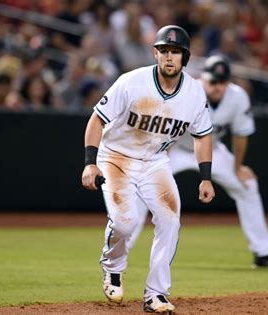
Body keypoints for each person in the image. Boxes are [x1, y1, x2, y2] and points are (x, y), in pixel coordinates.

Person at [81, 25, 215, 313]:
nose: (169, 57)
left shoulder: (193, 92)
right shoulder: (131, 82)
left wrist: (206, 178)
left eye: (175, 52)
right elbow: (96, 120)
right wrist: (90, 162)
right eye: (164, 50)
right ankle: (113, 266)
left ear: (185, 58)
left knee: (169, 219)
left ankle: (156, 293)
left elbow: (203, 135)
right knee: (125, 221)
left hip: (155, 161)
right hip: (116, 156)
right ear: (155, 53)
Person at [128, 55, 268, 270]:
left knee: (248, 185)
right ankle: (121, 251)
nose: (216, 87)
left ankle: (263, 253)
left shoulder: (237, 98)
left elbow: (241, 134)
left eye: (221, 82)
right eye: (212, 81)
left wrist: (238, 167)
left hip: (212, 150)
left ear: (228, 82)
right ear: (204, 78)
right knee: (141, 188)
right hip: (174, 149)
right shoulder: (187, 90)